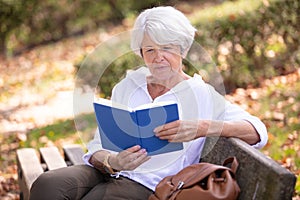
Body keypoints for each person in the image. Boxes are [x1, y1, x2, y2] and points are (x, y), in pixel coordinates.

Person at [29, 6, 268, 200]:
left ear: (183, 50)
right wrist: (111, 161)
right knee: (48, 184)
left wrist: (203, 127)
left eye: (167, 48)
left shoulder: (200, 93)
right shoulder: (127, 85)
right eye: (150, 49)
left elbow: (258, 131)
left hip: (147, 183)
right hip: (109, 171)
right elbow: (97, 145)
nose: (158, 57)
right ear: (141, 53)